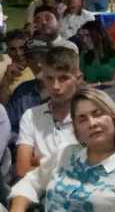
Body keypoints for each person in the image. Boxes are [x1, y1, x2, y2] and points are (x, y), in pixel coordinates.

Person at [14, 46, 83, 179]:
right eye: (49, 78)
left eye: (63, 78)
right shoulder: (31, 116)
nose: (55, 86)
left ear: (78, 78)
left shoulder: (91, 116)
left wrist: (43, 165)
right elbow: (22, 169)